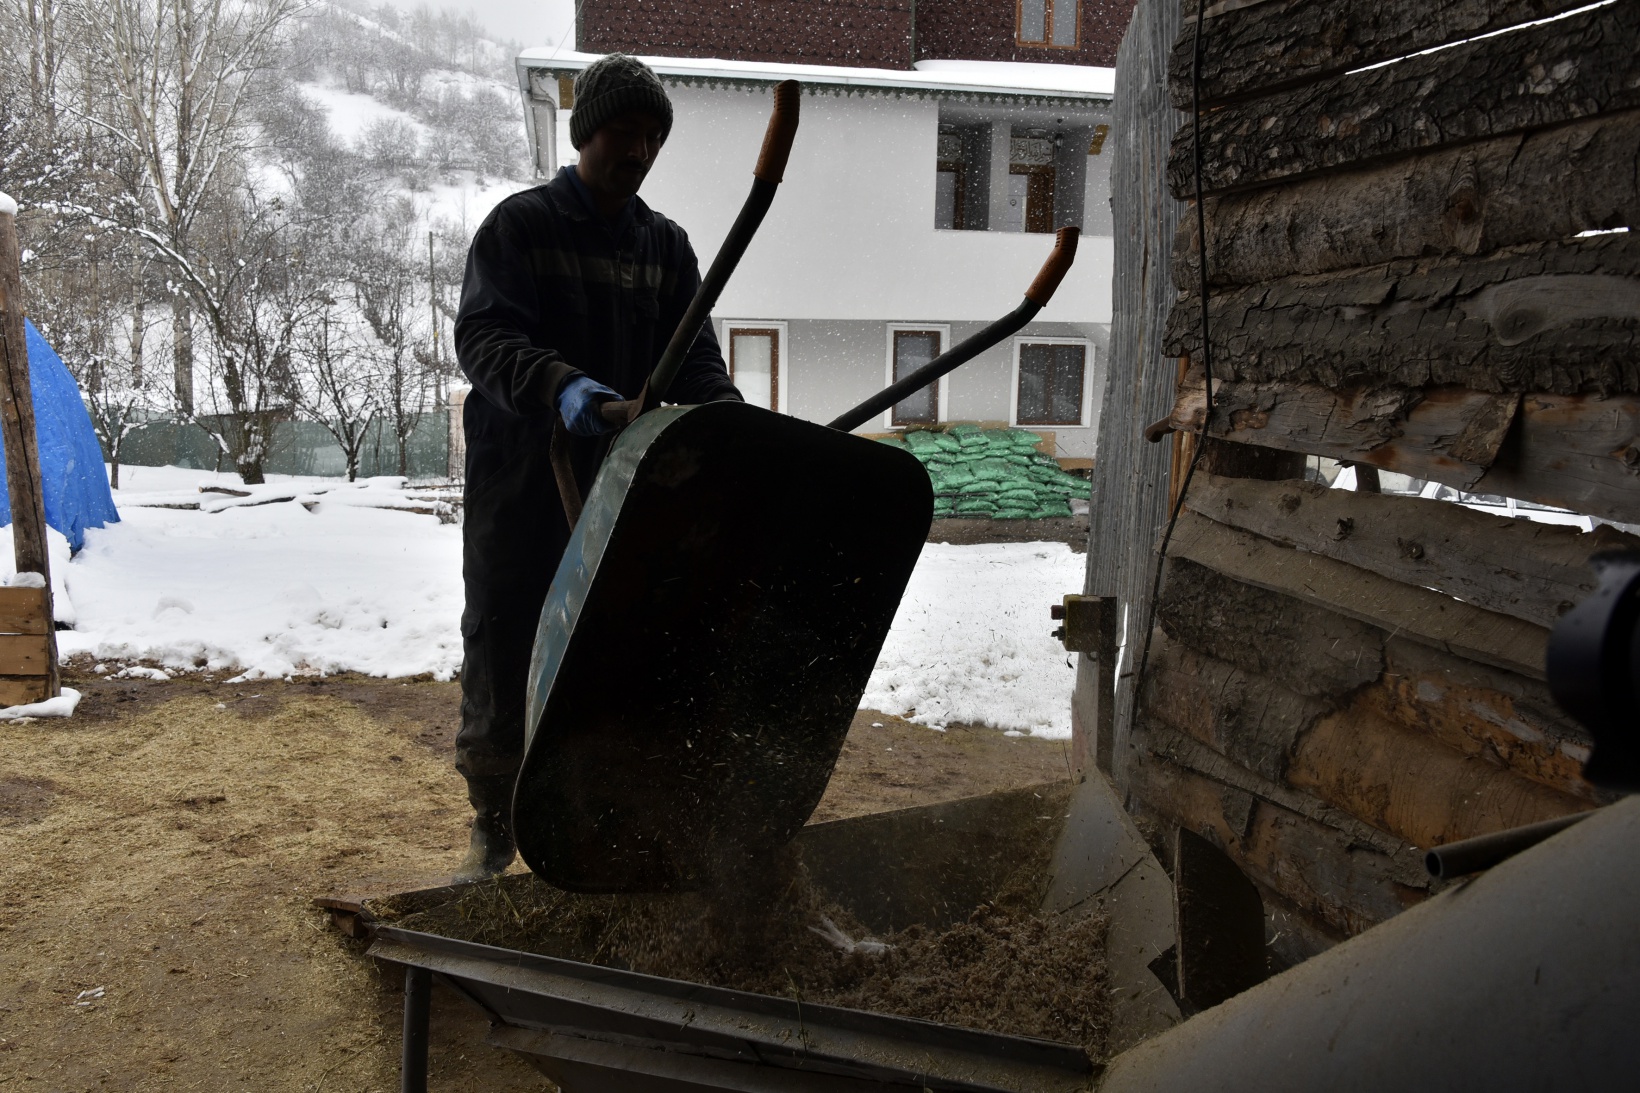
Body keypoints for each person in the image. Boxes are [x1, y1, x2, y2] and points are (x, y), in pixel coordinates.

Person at [451, 53, 741, 882]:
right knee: (507, 641)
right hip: (522, 482)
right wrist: (559, 383)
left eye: (653, 138)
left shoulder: (665, 248)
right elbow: (484, 337)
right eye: (624, 132)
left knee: (613, 647)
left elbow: (694, 361)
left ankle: (599, 820)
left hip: (622, 489)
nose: (639, 152)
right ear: (585, 133)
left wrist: (728, 423)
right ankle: (493, 823)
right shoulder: (520, 228)